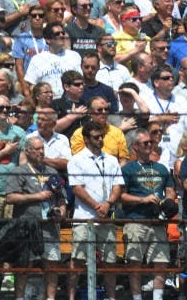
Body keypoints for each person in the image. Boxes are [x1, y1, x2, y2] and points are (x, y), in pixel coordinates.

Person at [5, 136, 67, 300]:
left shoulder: (52, 171)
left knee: (52, 263)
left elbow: (61, 199)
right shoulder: (19, 171)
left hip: (50, 226)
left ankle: (50, 298)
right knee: (25, 264)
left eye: (42, 149)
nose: (41, 152)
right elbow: (10, 198)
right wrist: (36, 196)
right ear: (27, 151)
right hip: (27, 226)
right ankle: (19, 297)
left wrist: (61, 211)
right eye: (37, 149)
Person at [68, 121, 124, 300]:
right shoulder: (76, 160)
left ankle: (111, 297)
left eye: (102, 136)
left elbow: (117, 186)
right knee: (77, 259)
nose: (100, 140)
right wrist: (96, 206)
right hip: (84, 216)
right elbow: (77, 188)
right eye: (96, 137)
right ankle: (70, 297)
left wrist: (107, 204)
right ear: (85, 139)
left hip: (106, 217)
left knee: (110, 261)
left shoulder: (111, 159)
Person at [121, 127, 176, 300]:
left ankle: (157, 297)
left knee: (161, 261)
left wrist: (168, 201)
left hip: (158, 221)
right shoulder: (128, 169)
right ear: (135, 146)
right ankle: (137, 298)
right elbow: (120, 196)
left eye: (151, 142)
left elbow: (170, 190)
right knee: (135, 262)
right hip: (136, 221)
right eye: (145, 143)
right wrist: (142, 200)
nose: (150, 145)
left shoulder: (161, 168)